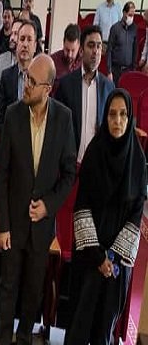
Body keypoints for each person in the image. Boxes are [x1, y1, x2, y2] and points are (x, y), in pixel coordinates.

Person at [0, 54, 77, 345]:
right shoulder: (12, 115)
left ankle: (23, 338)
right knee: (7, 288)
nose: (25, 85)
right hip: (14, 224)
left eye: (32, 81)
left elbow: (69, 174)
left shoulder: (64, 119)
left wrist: (48, 206)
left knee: (32, 292)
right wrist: (3, 226)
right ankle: (3, 339)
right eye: (26, 77)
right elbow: (2, 175)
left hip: (42, 227)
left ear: (47, 89)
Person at [64, 89, 147, 345]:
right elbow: (82, 207)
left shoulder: (137, 160)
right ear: (105, 117)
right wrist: (99, 256)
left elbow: (136, 214)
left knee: (105, 329)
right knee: (80, 324)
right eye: (112, 114)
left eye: (123, 114)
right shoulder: (94, 153)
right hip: (90, 255)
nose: (117, 121)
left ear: (130, 118)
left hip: (117, 264)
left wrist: (113, 258)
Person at [55, 25, 114, 163]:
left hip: (97, 164)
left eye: (99, 46)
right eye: (91, 46)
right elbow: (57, 126)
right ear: (81, 51)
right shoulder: (66, 85)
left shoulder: (109, 88)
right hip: (70, 163)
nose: (96, 51)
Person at [0, 21, 38, 139]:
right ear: (17, 43)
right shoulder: (6, 76)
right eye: (22, 39)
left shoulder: (40, 77)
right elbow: (0, 118)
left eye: (29, 40)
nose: (25, 44)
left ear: (35, 46)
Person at [107, 1, 137, 85]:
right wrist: (109, 71)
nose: (131, 17)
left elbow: (135, 49)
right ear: (124, 13)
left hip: (128, 70)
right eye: (130, 15)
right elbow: (109, 50)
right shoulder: (115, 28)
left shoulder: (134, 28)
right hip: (115, 70)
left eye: (133, 15)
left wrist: (134, 69)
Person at [50, 23, 82, 91]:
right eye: (67, 50)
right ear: (63, 43)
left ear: (79, 46)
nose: (69, 55)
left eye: (73, 50)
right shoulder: (52, 61)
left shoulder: (84, 64)